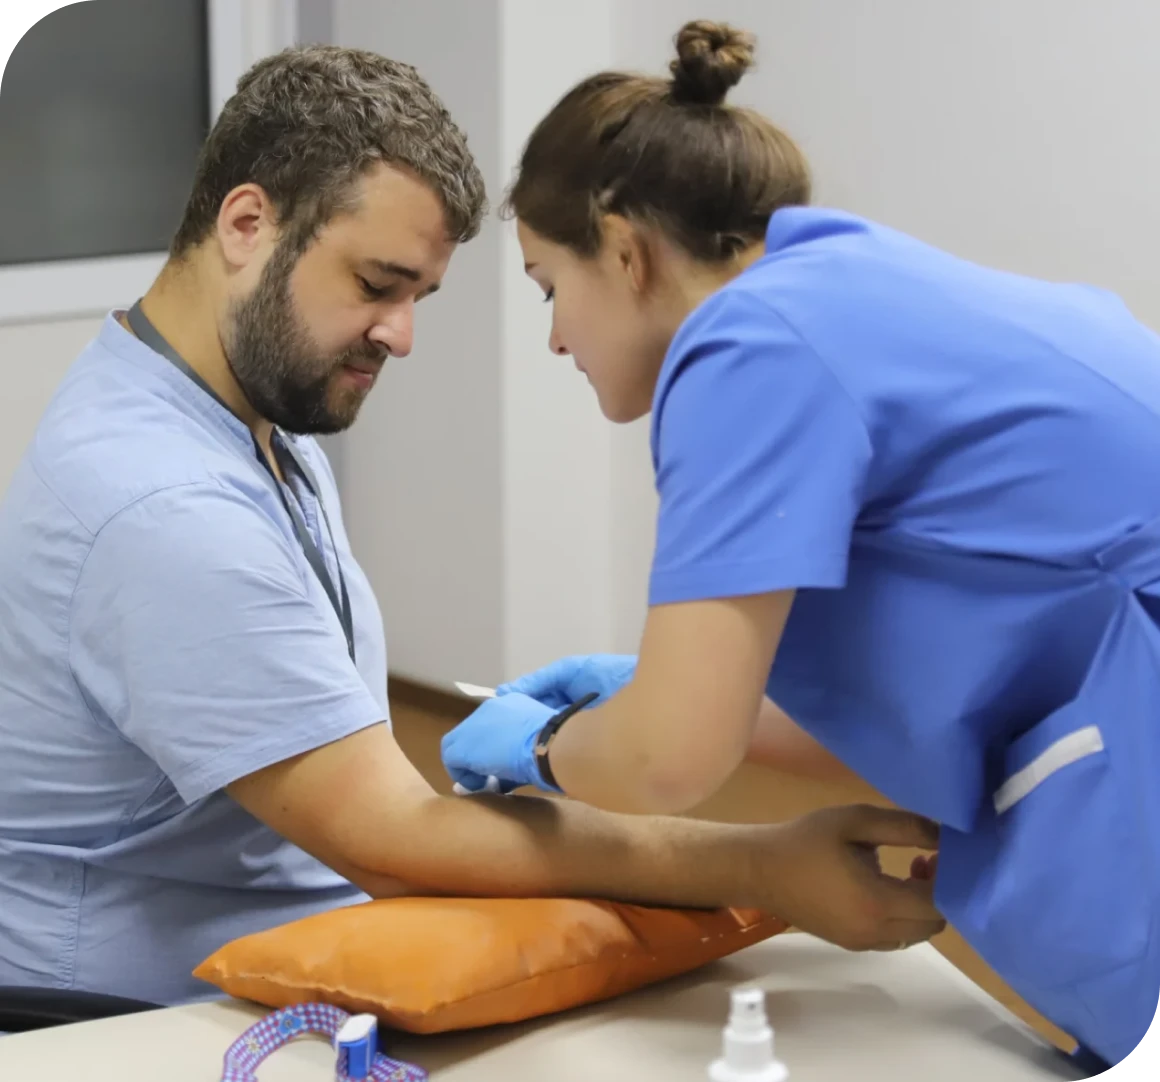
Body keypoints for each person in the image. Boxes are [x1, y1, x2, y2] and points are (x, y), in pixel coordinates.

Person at [0, 45, 946, 1008]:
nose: (401, 334)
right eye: (377, 284)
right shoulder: (164, 505)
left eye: (419, 296)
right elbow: (398, 844)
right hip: (125, 1008)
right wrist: (763, 867)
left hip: (291, 911)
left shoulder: (222, 411)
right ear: (247, 223)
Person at [439, 19, 1160, 1071]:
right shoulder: (840, 293)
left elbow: (670, 758)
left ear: (626, 249)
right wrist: (649, 689)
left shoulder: (747, 346)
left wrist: (540, 751)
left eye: (549, 286)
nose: (553, 336)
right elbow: (934, 683)